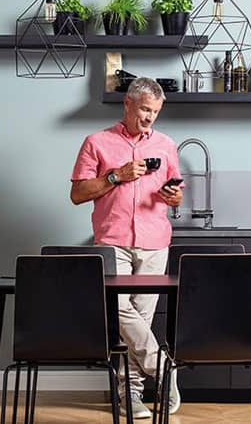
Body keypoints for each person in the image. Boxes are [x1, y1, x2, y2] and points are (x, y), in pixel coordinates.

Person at [70, 77, 183, 419]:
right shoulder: (96, 143)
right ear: (128, 105)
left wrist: (174, 197)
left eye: (156, 112)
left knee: (141, 321)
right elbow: (77, 194)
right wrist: (115, 176)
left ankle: (131, 394)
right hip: (112, 241)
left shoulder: (166, 145)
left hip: (154, 242)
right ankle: (161, 367)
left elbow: (175, 193)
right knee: (118, 310)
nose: (150, 117)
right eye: (145, 109)